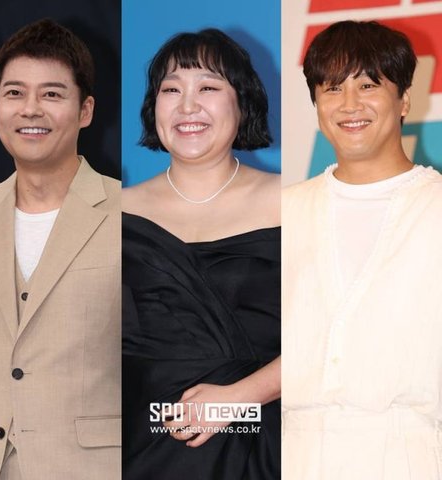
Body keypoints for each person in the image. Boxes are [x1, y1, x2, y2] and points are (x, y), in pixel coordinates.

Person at [282, 20, 442, 479]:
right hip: (294, 455)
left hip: (410, 457)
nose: (349, 104)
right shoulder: (284, 211)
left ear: (404, 99)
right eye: (332, 88)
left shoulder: (434, 206)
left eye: (368, 85)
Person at [0, 19, 121, 479]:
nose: (30, 109)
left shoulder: (132, 214)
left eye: (51, 94)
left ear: (85, 110)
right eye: (14, 93)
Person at [122, 28, 281, 479]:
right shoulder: (112, 211)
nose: (187, 106)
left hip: (263, 449)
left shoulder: (294, 202)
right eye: (171, 90)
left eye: (208, 88)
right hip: (138, 451)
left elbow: (336, 335)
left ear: (243, 103)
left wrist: (240, 398)